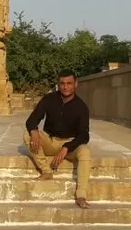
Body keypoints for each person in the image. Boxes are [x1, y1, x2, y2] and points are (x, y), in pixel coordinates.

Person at [23, 69, 91, 209]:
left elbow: (84, 134)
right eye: (62, 83)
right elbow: (31, 120)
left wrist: (67, 147)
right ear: (58, 84)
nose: (66, 87)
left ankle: (81, 195)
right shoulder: (49, 99)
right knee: (27, 135)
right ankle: (46, 171)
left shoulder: (81, 106)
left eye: (69, 83)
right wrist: (34, 130)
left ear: (76, 84)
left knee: (85, 151)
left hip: (70, 145)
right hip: (50, 141)